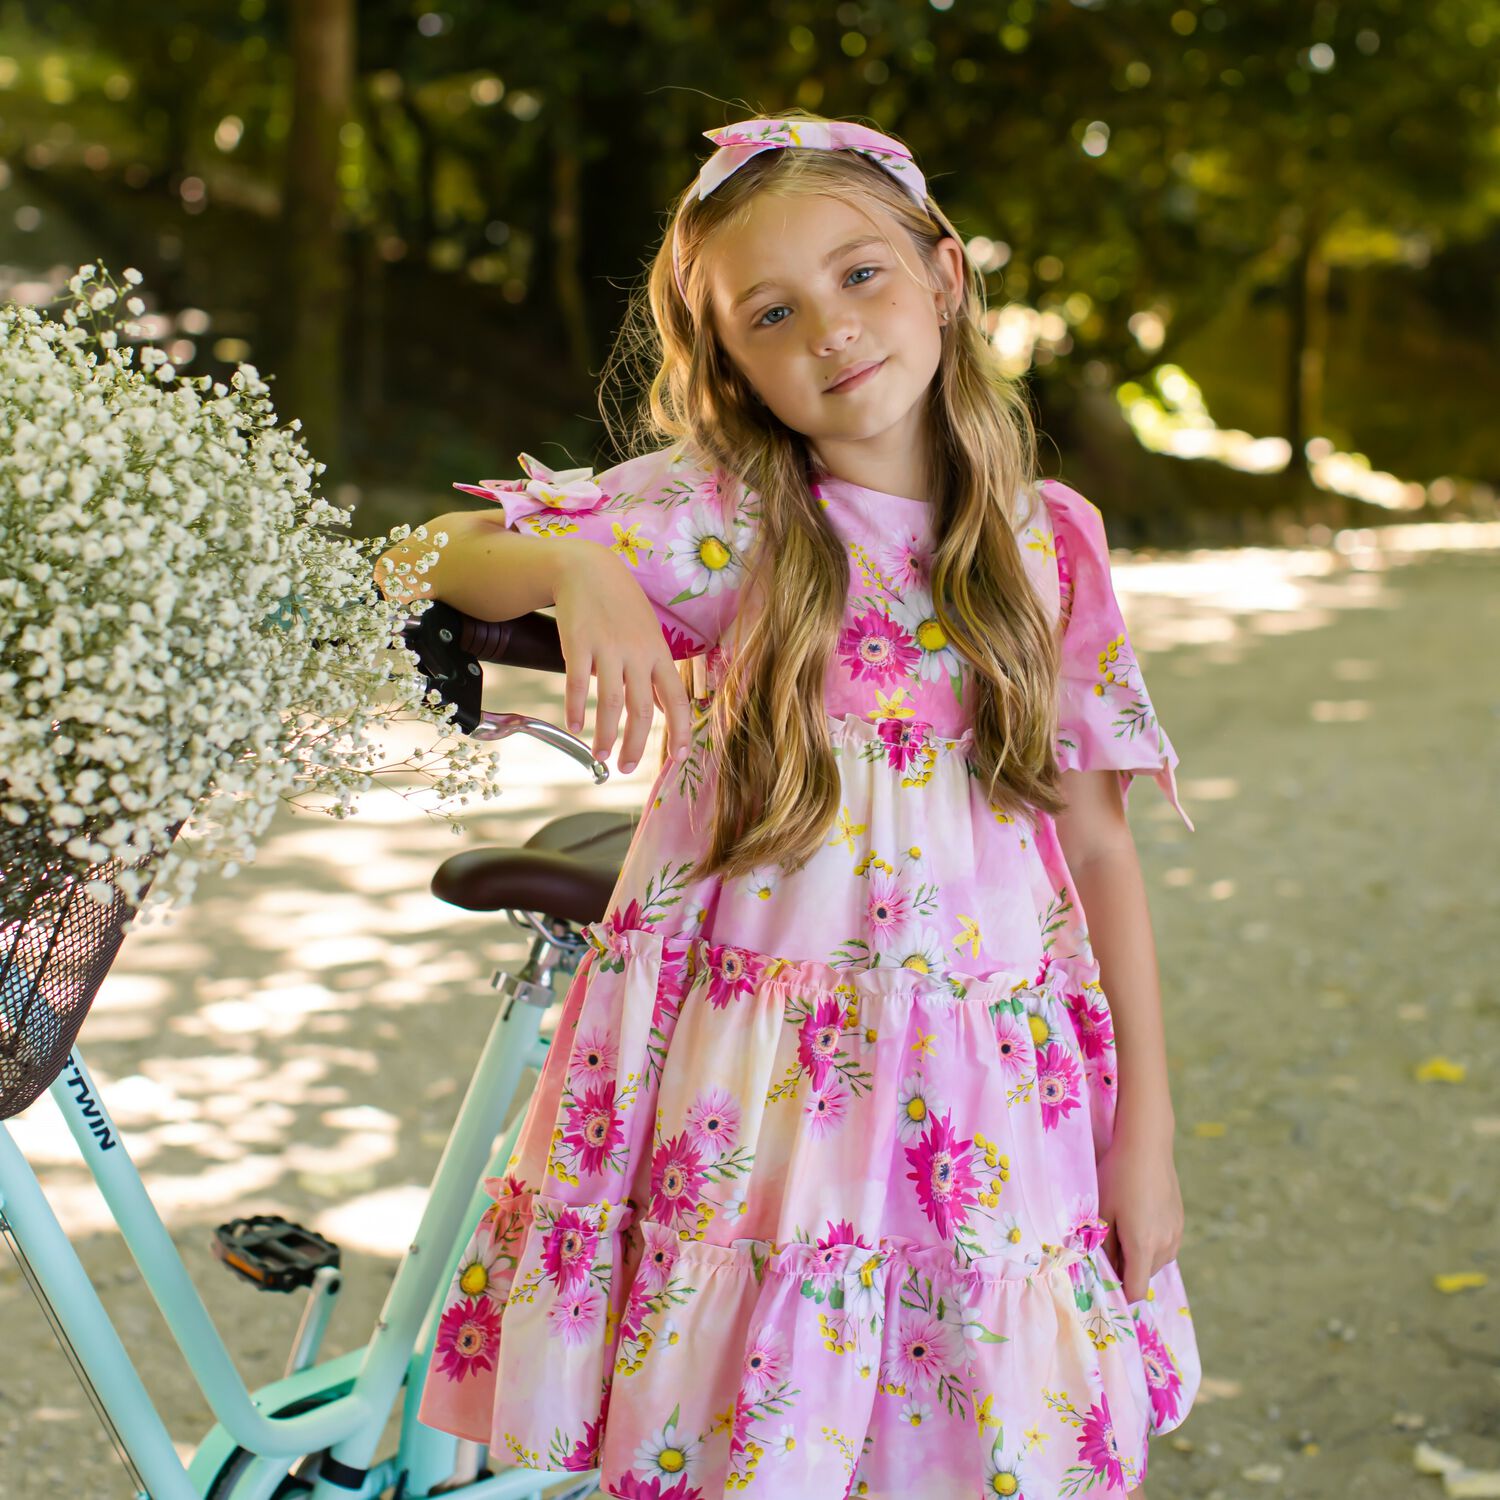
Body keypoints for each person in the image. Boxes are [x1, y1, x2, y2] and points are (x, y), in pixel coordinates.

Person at [381, 110, 1200, 1500]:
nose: (830, 328)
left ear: (943, 277)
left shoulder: (1046, 541)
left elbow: (1101, 846)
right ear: (736, 367)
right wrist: (574, 573)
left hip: (987, 1090)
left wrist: (1151, 1145)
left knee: (977, 1436)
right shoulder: (726, 519)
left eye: (861, 275)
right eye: (774, 312)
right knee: (758, 1441)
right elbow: (422, 552)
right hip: (757, 1095)